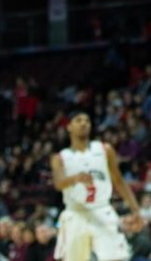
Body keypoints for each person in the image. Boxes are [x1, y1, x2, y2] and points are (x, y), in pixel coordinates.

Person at [50, 111, 142, 261]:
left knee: (117, 258)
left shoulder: (105, 150)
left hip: (102, 209)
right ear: (69, 127)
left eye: (87, 120)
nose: (84, 123)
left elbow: (119, 181)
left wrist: (136, 210)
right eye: (78, 120)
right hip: (76, 213)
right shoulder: (60, 157)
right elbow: (58, 183)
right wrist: (75, 178)